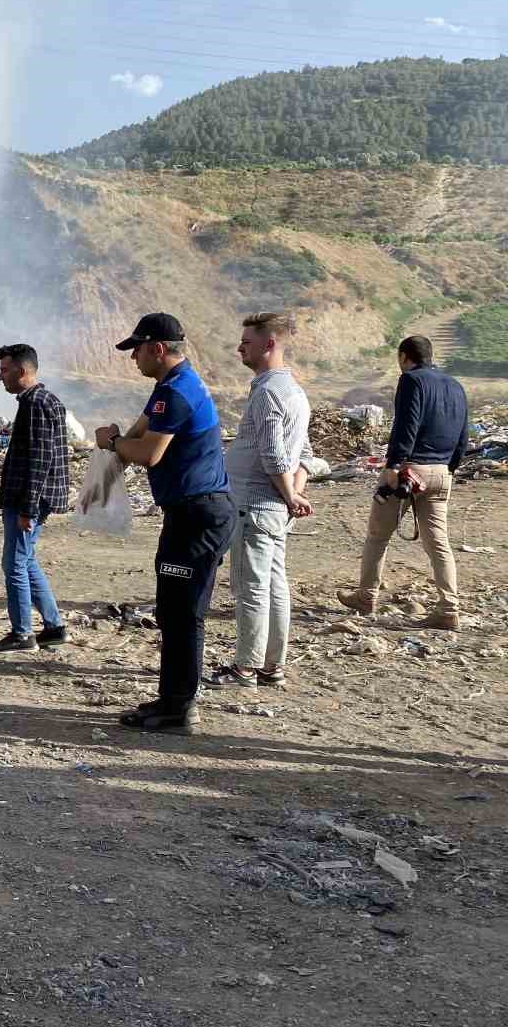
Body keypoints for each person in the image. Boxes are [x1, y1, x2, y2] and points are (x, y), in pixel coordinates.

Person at [95, 313, 235, 733]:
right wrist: (119, 442)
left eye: (136, 349)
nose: (132, 357)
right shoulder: (170, 387)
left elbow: (148, 452)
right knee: (173, 610)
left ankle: (179, 708)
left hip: (198, 515)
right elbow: (138, 434)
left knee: (183, 613)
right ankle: (172, 699)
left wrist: (114, 442)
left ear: (158, 348)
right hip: (190, 513)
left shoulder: (176, 392)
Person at [209, 311, 313, 689]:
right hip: (273, 506)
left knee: (251, 587)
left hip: (255, 504)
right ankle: (272, 665)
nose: (240, 347)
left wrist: (290, 494)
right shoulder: (295, 392)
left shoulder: (269, 391)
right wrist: (295, 493)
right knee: (274, 585)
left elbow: (273, 454)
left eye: (247, 341)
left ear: (269, 344)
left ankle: (246, 668)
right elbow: (304, 452)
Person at [339, 334, 469, 630]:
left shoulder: (412, 381)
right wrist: (451, 468)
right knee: (438, 543)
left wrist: (393, 465)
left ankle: (366, 597)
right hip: (441, 473)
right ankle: (449, 608)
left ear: (403, 357)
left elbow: (405, 425)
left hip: (410, 471)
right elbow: (463, 435)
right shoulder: (456, 386)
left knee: (378, 535)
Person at [0, 343, 71, 652]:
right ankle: (54, 626)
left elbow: (40, 460)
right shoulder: (41, 399)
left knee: (14, 565)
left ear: (23, 371)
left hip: (29, 500)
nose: (1, 377)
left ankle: (22, 634)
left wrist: (28, 508)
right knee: (26, 561)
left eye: (5, 370)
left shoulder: (36, 403)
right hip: (33, 498)